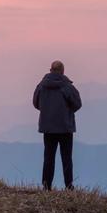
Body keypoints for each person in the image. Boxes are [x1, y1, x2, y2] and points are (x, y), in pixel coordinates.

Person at [33, 60, 81, 190]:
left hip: (48, 128)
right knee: (66, 159)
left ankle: (46, 186)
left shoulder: (42, 86)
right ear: (62, 71)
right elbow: (78, 103)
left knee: (48, 158)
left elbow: (35, 103)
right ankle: (69, 186)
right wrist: (67, 112)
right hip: (65, 128)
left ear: (50, 70)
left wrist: (47, 110)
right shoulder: (67, 86)